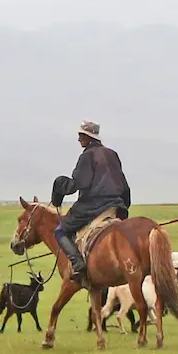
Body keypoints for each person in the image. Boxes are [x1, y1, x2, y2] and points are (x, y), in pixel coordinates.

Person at [50, 120, 131, 283]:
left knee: (60, 231)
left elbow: (78, 184)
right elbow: (124, 185)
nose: (79, 139)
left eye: (80, 135)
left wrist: (60, 184)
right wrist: (123, 207)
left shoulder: (87, 155)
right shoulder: (112, 154)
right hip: (116, 206)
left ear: (87, 137)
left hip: (93, 207)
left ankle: (78, 264)